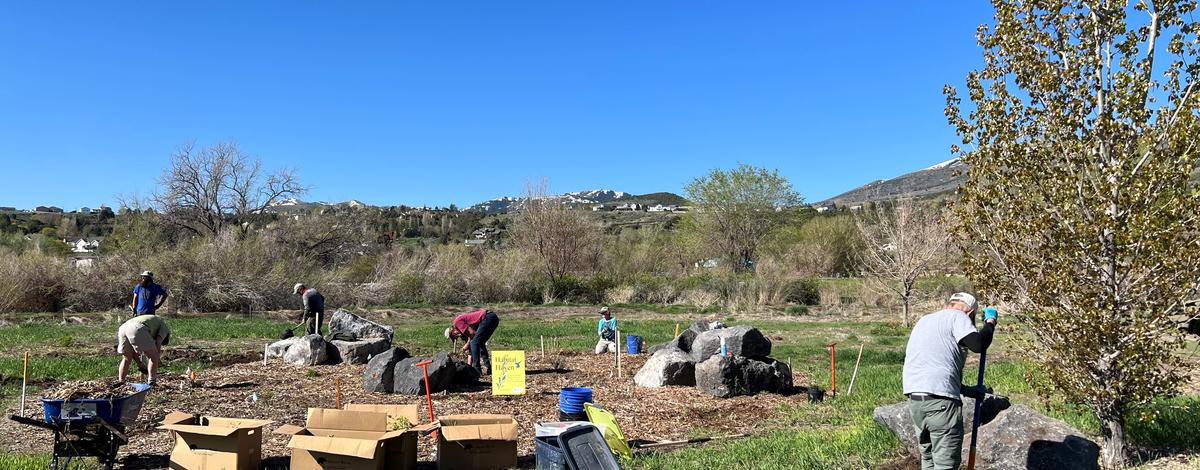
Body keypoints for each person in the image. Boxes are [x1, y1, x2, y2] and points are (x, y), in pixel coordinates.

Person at [902, 292, 999, 470]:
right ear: (970, 312)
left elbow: (932, 369)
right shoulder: (958, 316)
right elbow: (978, 344)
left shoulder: (924, 320)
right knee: (945, 465)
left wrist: (965, 390)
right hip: (941, 406)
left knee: (929, 461)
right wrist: (990, 323)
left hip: (916, 402)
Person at [117, 312, 171, 385]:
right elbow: (158, 343)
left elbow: (133, 353)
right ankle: (152, 382)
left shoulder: (153, 323)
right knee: (153, 356)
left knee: (127, 358)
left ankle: (121, 381)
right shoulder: (165, 328)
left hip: (123, 328)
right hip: (137, 327)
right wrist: (157, 359)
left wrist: (140, 364)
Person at [445, 309, 499, 374]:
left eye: (453, 337)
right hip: (493, 318)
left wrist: (465, 347)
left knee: (474, 342)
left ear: (452, 331)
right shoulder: (463, 333)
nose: (456, 338)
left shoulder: (457, 323)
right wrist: (468, 366)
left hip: (488, 317)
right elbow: (471, 351)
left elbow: (472, 334)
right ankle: (487, 367)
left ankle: (476, 370)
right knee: (480, 343)